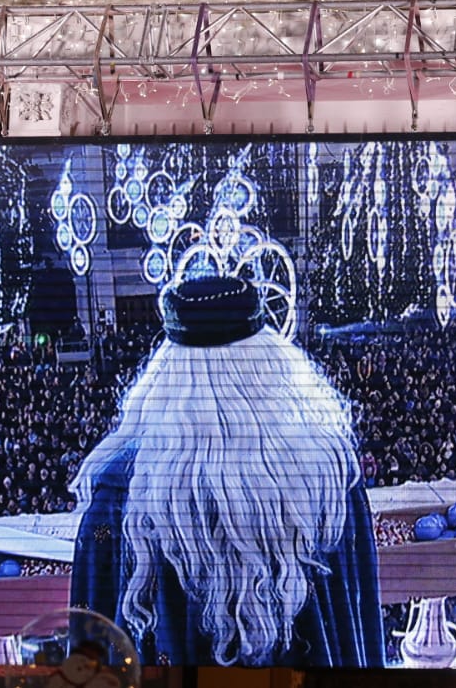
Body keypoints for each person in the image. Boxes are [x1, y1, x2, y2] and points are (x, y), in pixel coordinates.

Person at [71, 275, 385, 668]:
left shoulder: (120, 493)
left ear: (166, 368)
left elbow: (91, 635)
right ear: (270, 359)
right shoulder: (329, 474)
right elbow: (358, 618)